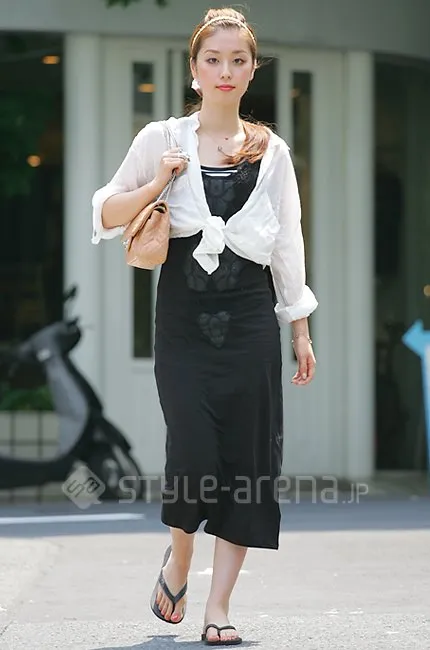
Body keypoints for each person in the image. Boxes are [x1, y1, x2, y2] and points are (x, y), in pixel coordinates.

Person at [91, 7, 317, 646]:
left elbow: (288, 243)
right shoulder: (161, 138)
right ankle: (181, 557)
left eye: (237, 61)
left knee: (247, 457)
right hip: (183, 325)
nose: (225, 70)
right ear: (194, 70)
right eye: (213, 60)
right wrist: (159, 181)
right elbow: (106, 212)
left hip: (250, 324)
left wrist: (299, 328)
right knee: (191, 451)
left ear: (252, 71)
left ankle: (218, 607)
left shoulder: (272, 152)